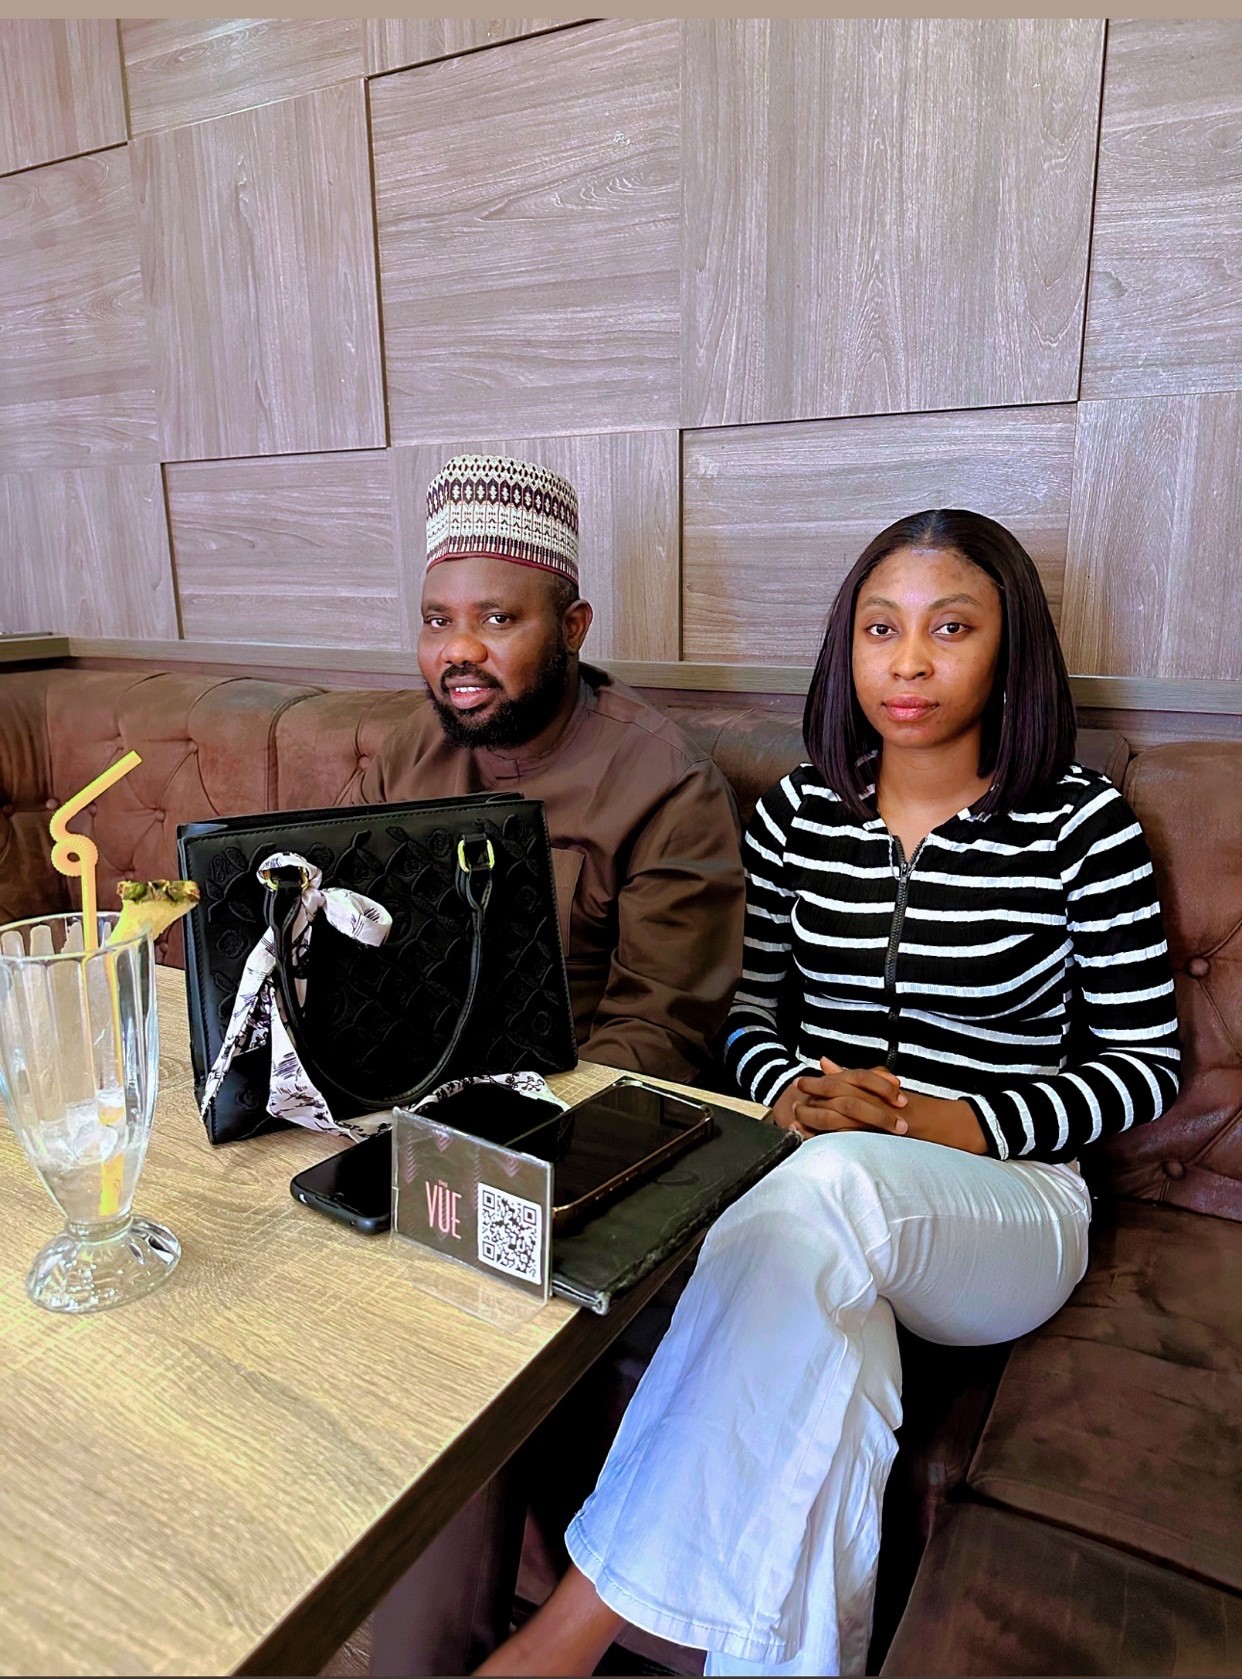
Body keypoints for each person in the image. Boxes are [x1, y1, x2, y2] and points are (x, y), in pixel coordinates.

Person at [477, 508, 1182, 1677]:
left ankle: (566, 1631)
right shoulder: (802, 814)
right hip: (817, 1187)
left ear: (1009, 648)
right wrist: (794, 1087)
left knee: (828, 1191)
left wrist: (949, 1120)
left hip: (1010, 1206)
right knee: (832, 1363)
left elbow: (1145, 1064)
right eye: (880, 628)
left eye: (950, 628)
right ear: (846, 648)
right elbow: (743, 1016)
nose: (909, 662)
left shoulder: (1081, 825)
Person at [361, 453, 746, 1674]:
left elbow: (659, 1040)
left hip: (590, 1151)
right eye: (438, 620)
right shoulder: (406, 757)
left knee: (455, 1321)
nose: (459, 651)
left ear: (573, 626)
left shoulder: (664, 782)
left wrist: (489, 1133)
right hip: (418, 1126)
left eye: (496, 618)